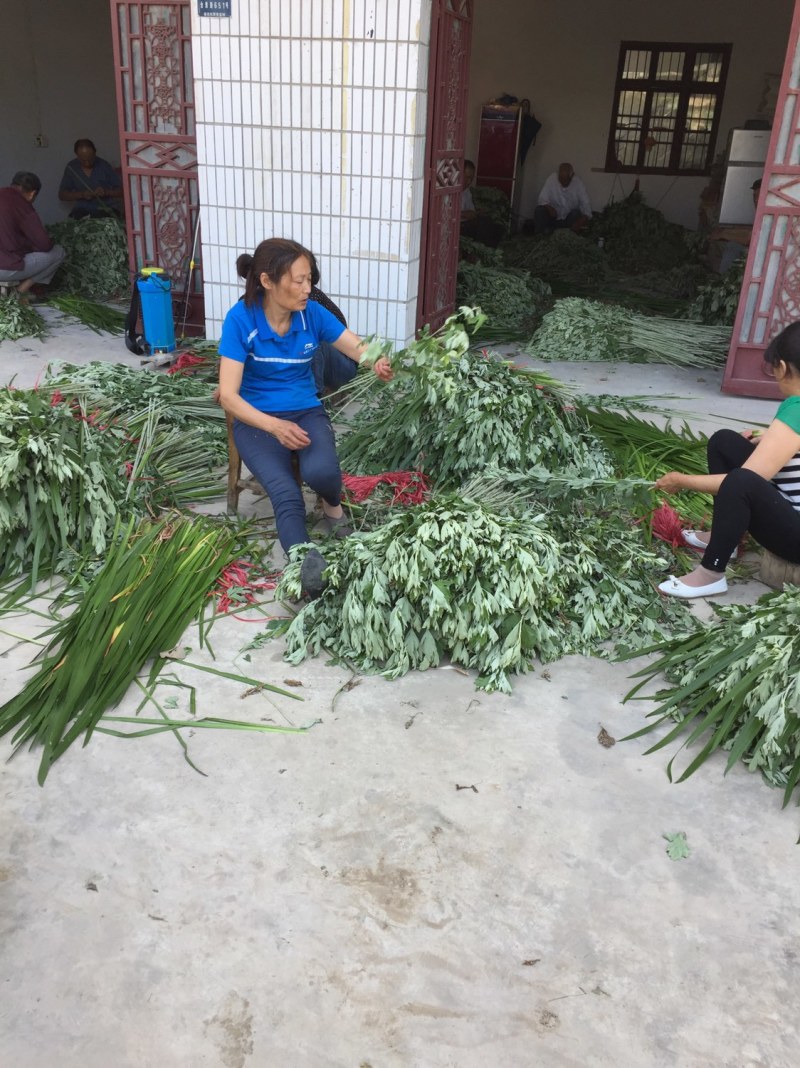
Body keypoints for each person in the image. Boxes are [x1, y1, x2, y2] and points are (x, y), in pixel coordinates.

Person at [218, 238, 393, 597]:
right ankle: (303, 568)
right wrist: (274, 426)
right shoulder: (241, 320)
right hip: (257, 421)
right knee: (286, 493)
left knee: (323, 473)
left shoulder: (311, 312)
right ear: (268, 281)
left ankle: (332, 509)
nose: (306, 288)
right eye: (297, 281)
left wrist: (375, 359)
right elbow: (228, 397)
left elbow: (354, 345)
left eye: (309, 279)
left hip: (306, 410)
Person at [655, 321, 800, 598]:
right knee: (725, 442)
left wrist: (681, 480)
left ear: (782, 367)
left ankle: (711, 573)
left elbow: (743, 481)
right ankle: (728, 539)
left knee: (742, 481)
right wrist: (766, 437)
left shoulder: (796, 409)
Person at [0, 171, 65, 298]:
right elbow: (44, 244)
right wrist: (31, 247)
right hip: (4, 268)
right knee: (58, 252)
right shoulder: (22, 204)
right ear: (32, 193)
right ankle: (19, 293)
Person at [58, 139, 123, 219]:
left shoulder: (104, 165)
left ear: (95, 152)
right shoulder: (72, 167)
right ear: (76, 155)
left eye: (90, 159)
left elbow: (121, 192)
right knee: (76, 225)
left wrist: (106, 192)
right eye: (83, 160)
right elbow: (62, 195)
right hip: (82, 209)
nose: (87, 163)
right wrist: (82, 194)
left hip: (106, 208)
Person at [533, 162, 592, 235]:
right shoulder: (552, 178)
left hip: (568, 220)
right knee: (539, 210)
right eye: (561, 179)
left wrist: (583, 219)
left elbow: (586, 204)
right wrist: (548, 207)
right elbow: (542, 198)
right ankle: (539, 237)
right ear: (558, 175)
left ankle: (570, 238)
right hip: (553, 218)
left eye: (566, 180)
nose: (563, 183)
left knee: (575, 213)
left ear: (572, 176)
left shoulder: (578, 183)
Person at [460, 160, 505, 247]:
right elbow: (444, 216)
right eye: (467, 177)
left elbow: (471, 211)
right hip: (456, 226)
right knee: (483, 224)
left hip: (467, 223)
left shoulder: (466, 191)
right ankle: (477, 252)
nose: (469, 182)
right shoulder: (449, 191)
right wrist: (463, 214)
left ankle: (486, 253)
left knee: (498, 228)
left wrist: (476, 213)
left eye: (471, 178)